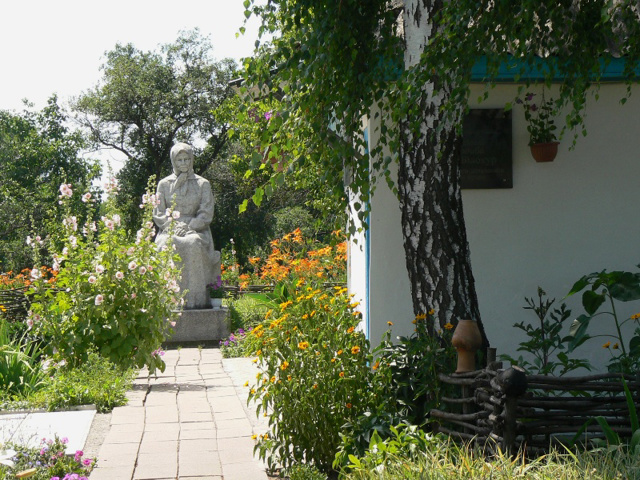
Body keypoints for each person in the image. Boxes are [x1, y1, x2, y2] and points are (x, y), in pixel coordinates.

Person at [153, 143, 220, 309]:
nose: (183, 163)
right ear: (173, 161)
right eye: (179, 159)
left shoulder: (203, 184)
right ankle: (168, 301)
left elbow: (206, 212)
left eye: (186, 159)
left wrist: (190, 226)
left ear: (192, 160)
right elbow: (158, 213)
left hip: (197, 229)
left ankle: (196, 301)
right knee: (170, 244)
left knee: (193, 244)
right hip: (169, 229)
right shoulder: (163, 184)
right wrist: (173, 226)